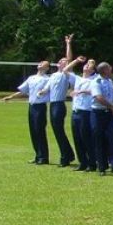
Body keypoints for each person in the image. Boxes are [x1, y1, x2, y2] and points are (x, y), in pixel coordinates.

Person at [2, 60, 52, 165]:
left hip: (40, 107)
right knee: (33, 131)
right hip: (31, 106)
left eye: (44, 63)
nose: (41, 63)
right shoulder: (31, 78)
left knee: (40, 131)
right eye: (41, 62)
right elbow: (23, 91)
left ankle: (44, 157)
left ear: (47, 68)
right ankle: (37, 155)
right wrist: (10, 97)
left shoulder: (48, 79)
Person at [42, 35, 78, 167]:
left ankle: (66, 156)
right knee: (57, 131)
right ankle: (68, 154)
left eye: (64, 61)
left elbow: (69, 59)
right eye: (61, 60)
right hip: (52, 105)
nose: (62, 61)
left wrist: (68, 43)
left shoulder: (65, 74)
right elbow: (46, 89)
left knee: (59, 130)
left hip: (59, 105)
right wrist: (42, 92)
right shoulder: (53, 76)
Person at [90, 61, 113, 175]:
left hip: (109, 112)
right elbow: (99, 97)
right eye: (109, 68)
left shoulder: (109, 81)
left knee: (111, 137)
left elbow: (111, 96)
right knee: (99, 139)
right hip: (98, 113)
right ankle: (102, 167)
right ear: (104, 70)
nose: (111, 69)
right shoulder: (96, 82)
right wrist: (112, 106)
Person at [69, 58, 95, 172]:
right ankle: (82, 162)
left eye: (89, 65)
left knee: (86, 138)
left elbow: (94, 91)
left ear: (93, 70)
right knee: (77, 138)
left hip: (86, 112)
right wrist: (76, 61)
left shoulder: (93, 80)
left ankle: (92, 162)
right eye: (86, 64)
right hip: (75, 111)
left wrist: (81, 92)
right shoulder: (78, 79)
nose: (86, 66)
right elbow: (65, 70)